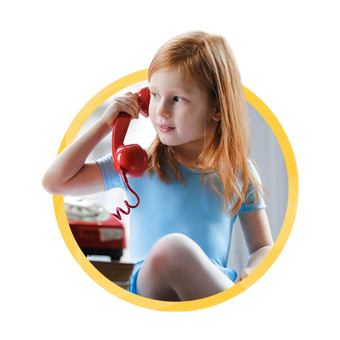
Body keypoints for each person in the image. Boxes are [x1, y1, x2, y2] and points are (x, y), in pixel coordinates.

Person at [41, 29, 274, 301]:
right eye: (153, 95)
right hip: (149, 285)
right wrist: (106, 125)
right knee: (172, 248)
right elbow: (53, 182)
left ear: (217, 108)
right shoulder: (138, 165)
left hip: (210, 285)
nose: (161, 110)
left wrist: (255, 268)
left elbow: (262, 246)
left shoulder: (240, 173)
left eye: (177, 99)